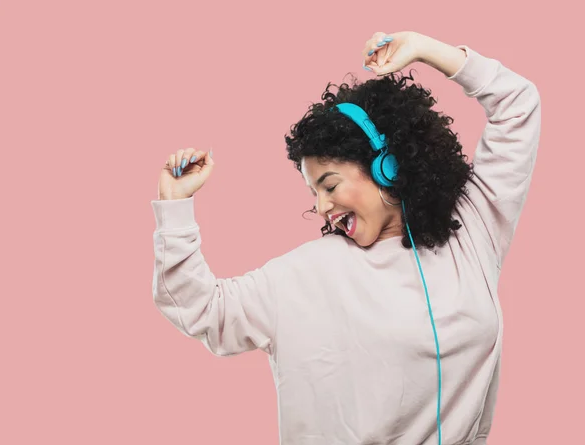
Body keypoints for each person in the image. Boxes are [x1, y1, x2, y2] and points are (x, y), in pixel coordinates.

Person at [151, 31, 541, 445]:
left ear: (387, 166)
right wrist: (175, 209)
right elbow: (203, 308)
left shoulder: (472, 229)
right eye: (313, 193)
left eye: (329, 185)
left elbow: (517, 105)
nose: (321, 207)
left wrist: (425, 49)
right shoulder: (306, 273)